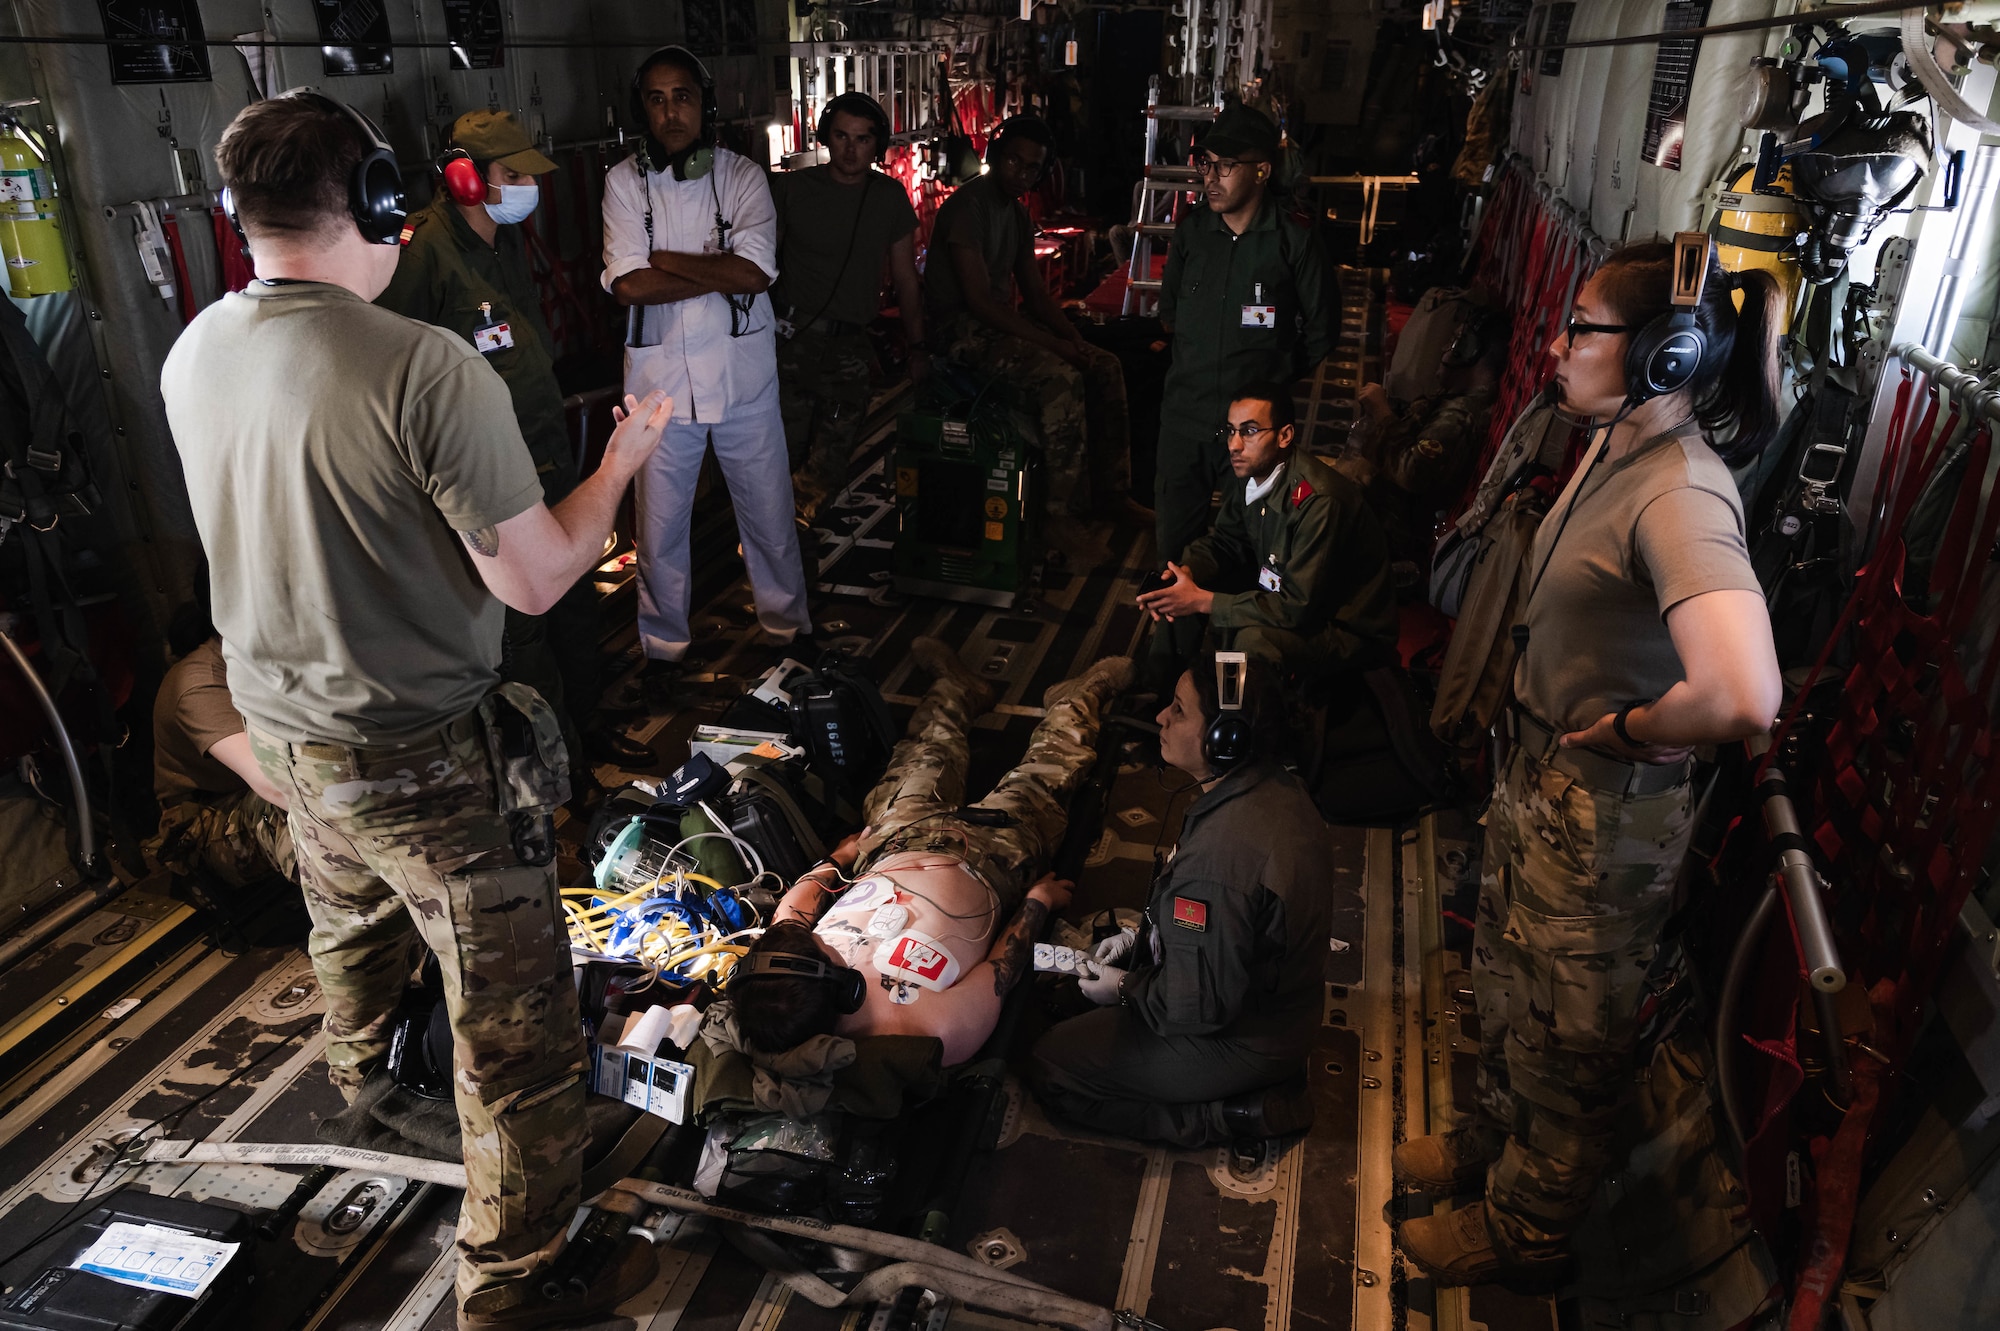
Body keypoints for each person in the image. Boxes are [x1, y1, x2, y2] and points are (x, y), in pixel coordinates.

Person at [161, 91, 672, 1327]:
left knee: (345, 919)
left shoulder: (194, 350)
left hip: (287, 737)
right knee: (518, 1030)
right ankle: (515, 1277)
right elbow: (539, 577)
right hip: (425, 761)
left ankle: (359, 1079)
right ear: (384, 201)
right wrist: (619, 462)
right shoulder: (420, 364)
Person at [1391, 240, 1784, 1287]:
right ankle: (1491, 1148)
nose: (1557, 345)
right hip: (1541, 781)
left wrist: (1625, 729)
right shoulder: (1615, 450)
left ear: (1662, 355)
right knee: (1512, 985)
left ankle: (1526, 1226)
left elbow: (1744, 691)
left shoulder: (1679, 489)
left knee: (1572, 1031)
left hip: (1602, 810)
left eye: (1581, 329)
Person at [375, 108, 655, 775]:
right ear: (466, 178)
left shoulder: (504, 243)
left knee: (575, 603)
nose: (527, 184)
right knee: (523, 633)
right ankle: (552, 769)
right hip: (490, 474)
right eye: (512, 173)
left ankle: (584, 734)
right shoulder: (423, 253)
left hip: (546, 452)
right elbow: (388, 370)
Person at [729, 639, 1132, 1065]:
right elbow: (1000, 969)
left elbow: (792, 910)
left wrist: (841, 857)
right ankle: (1078, 698)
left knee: (925, 752)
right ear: (845, 992)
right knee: (1051, 768)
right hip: (994, 859)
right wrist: (1036, 904)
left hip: (895, 840)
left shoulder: (784, 964)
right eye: (825, 949)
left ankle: (958, 687)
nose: (819, 940)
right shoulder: (935, 1029)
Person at [1029, 652, 1330, 1150]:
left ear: (1224, 741)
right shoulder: (1273, 786)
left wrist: (1126, 988)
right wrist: (1141, 941)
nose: (1160, 718)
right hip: (1278, 1006)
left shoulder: (1218, 862)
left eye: (1178, 709)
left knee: (1054, 1065)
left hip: (1243, 1037)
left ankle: (1236, 1114)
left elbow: (1198, 1009)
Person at [603, 46, 811, 703]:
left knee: (770, 511)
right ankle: (663, 649)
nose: (671, 111)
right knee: (658, 526)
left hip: (743, 378)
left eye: (683, 96)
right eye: (658, 98)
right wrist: (703, 264)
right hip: (660, 386)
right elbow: (630, 286)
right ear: (644, 107)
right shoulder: (622, 182)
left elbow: (754, 272)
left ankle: (789, 630)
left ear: (705, 104)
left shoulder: (744, 177)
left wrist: (665, 258)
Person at [926, 115, 1134, 544]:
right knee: (1060, 378)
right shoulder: (969, 207)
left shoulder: (1016, 215)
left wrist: (1074, 339)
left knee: (1105, 364)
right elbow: (979, 302)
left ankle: (1112, 493)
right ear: (996, 157)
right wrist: (1055, 345)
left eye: (1031, 168)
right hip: (958, 330)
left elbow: (1037, 295)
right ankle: (1059, 515)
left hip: (997, 323)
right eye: (1013, 162)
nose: (1020, 173)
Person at [1155, 103, 1333, 569]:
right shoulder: (1192, 233)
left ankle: (1237, 641)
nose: (1211, 177)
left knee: (1254, 550)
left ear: (1261, 171)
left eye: (1226, 166)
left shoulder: (1292, 240)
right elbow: (1169, 313)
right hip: (1185, 420)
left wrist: (1274, 379)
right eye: (1206, 164)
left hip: (1255, 435)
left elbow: (1322, 329)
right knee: (1174, 552)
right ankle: (1174, 640)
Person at [1138, 384, 1397, 688]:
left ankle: (1231, 724)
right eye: (1230, 431)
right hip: (1285, 594)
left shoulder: (1319, 502)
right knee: (1180, 588)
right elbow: (1226, 542)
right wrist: (1186, 574)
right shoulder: (1252, 470)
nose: (1234, 445)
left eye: (1249, 431)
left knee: (1252, 640)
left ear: (1285, 436)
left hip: (1347, 629)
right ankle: (1162, 695)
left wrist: (1203, 602)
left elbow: (1297, 607)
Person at [772, 92, 927, 518]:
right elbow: (761, 266)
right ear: (825, 137)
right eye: (841, 136)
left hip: (849, 348)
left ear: (877, 145)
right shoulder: (793, 189)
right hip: (791, 345)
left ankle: (790, 541)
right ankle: (785, 565)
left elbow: (905, 280)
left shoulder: (889, 198)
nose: (850, 149)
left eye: (862, 139)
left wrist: (918, 348)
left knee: (829, 463)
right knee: (781, 458)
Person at [144, 586, 295, 888]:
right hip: (202, 826)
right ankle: (360, 920)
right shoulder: (198, 683)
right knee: (297, 812)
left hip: (248, 799)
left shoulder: (270, 657)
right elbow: (273, 785)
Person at [1339, 306, 1509, 570]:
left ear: (1469, 352)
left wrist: (1383, 414)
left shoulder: (1460, 418)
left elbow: (1413, 473)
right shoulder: (1456, 400)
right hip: (1377, 512)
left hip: (1388, 532)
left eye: (1454, 342)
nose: (1444, 350)